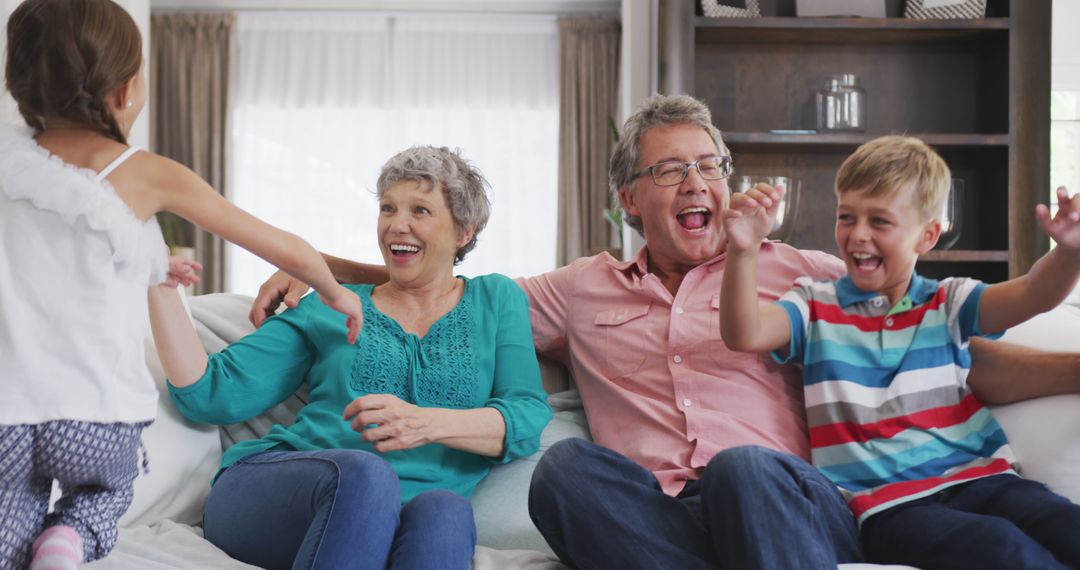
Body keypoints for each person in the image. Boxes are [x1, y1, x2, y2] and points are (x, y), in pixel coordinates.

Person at [248, 94, 1080, 570]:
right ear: (629, 201)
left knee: (750, 468)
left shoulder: (804, 272)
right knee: (566, 474)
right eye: (669, 169)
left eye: (710, 166)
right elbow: (444, 282)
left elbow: (946, 356)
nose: (696, 182)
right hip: (662, 521)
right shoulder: (577, 289)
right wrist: (320, 271)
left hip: (787, 507)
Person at [0, 1, 361, 568]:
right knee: (101, 493)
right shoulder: (140, 172)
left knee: (8, 539)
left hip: (8, 414)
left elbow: (50, 253)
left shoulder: (8, 167)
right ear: (125, 91)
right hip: (94, 417)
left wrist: (147, 258)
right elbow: (283, 247)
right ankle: (72, 537)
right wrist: (337, 292)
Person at [148, 145, 553, 570]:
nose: (397, 225)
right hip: (278, 495)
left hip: (399, 516)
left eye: (420, 211)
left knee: (445, 512)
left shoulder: (496, 299)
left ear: (464, 232)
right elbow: (211, 393)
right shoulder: (331, 304)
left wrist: (424, 422)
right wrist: (158, 283)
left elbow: (525, 416)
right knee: (367, 477)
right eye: (388, 208)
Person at [718, 135, 1080, 569]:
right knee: (1001, 547)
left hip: (990, 481)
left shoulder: (948, 303)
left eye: (880, 221)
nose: (858, 235)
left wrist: (1069, 254)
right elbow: (746, 333)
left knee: (1065, 526)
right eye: (847, 217)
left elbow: (1033, 295)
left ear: (926, 236)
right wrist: (743, 251)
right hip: (893, 510)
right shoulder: (813, 303)